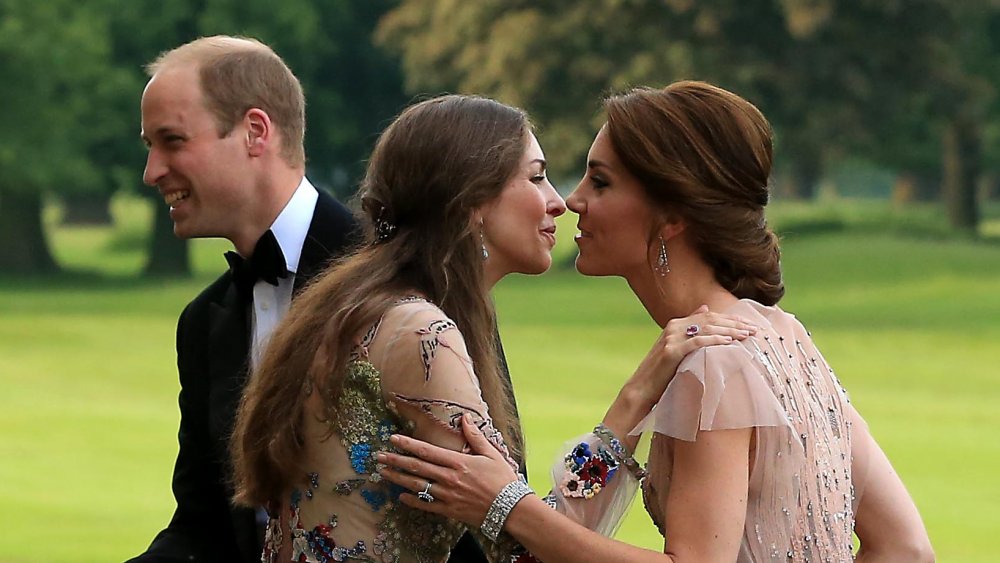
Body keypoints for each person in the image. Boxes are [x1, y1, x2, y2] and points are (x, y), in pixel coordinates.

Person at [375, 81, 935, 562]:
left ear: (670, 216)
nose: (572, 201)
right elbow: (906, 547)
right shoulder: (787, 336)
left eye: (601, 182)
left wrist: (508, 505)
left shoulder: (715, 365)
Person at [228, 93, 753, 563]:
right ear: (473, 201)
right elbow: (528, 547)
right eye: (536, 175)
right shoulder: (420, 333)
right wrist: (637, 398)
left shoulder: (361, 307)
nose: (559, 201)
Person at [129, 36, 358, 563]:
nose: (152, 171)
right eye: (150, 146)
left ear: (255, 131)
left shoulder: (396, 281)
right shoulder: (203, 323)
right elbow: (204, 526)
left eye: (172, 141)